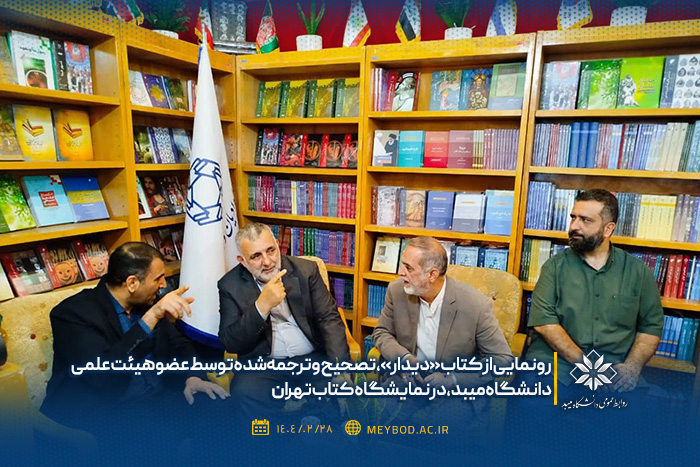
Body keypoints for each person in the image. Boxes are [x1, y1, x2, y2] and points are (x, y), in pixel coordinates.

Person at [42, 242, 228, 434]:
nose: (164, 285)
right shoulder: (73, 314)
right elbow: (102, 377)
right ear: (132, 283)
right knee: (159, 437)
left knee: (222, 409)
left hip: (156, 400)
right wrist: (149, 319)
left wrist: (193, 377)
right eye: (158, 278)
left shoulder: (148, 301)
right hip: (107, 409)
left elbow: (179, 344)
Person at [525, 189, 664, 394]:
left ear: (608, 229)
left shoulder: (638, 272)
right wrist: (589, 367)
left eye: (585, 220)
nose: (574, 226)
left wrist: (633, 367)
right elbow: (545, 324)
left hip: (613, 370)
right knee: (535, 401)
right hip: (556, 366)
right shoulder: (554, 267)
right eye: (573, 218)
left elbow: (651, 326)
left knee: (634, 410)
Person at [372, 236, 513, 424]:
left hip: (454, 392)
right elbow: (382, 332)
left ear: (432, 275)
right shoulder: (396, 290)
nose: (400, 272)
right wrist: (404, 359)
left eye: (409, 268)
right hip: (409, 382)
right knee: (373, 414)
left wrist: (453, 379)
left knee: (441, 429)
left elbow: (502, 359)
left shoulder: (475, 305)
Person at [218, 222, 350, 416]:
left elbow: (329, 318)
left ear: (278, 245)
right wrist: (261, 307)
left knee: (331, 403)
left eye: (270, 250)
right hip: (265, 364)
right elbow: (230, 341)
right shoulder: (229, 285)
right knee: (244, 392)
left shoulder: (306, 271)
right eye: (256, 256)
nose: (267, 262)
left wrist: (340, 368)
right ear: (242, 260)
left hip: (312, 358)